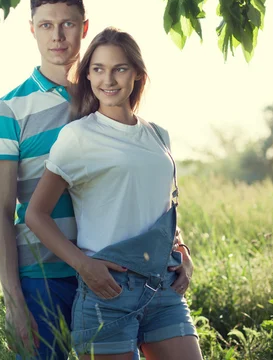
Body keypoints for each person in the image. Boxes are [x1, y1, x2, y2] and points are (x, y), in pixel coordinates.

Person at [25, 27, 202, 359]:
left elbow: (159, 205)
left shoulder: (158, 136)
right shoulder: (77, 136)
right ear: (88, 75)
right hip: (108, 292)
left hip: (163, 289)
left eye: (119, 68)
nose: (108, 79)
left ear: (136, 74)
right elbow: (36, 215)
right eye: (98, 69)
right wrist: (84, 266)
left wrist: (183, 251)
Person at [0, 0, 89, 359]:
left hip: (108, 273)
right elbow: (0, 209)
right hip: (40, 280)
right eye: (46, 25)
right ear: (32, 30)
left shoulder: (105, 99)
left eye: (68, 24)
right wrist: (14, 302)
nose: (58, 36)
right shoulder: (9, 110)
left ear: (84, 28)